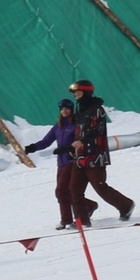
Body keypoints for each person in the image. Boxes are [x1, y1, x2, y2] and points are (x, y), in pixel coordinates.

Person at [65, 79, 135, 224]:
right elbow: (79, 132)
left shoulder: (97, 109)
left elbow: (97, 131)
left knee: (100, 186)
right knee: (73, 190)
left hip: (95, 155)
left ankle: (126, 205)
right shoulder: (80, 110)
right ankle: (81, 220)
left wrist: (81, 141)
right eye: (75, 93)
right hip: (80, 156)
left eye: (78, 92)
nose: (76, 96)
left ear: (85, 92)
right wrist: (72, 147)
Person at [26, 98, 95, 229]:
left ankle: (66, 220)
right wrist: (32, 147)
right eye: (62, 109)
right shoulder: (59, 126)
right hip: (61, 163)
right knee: (65, 192)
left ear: (71, 110)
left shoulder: (75, 125)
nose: (64, 111)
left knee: (61, 191)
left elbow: (80, 142)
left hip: (72, 161)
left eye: (67, 109)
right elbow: (46, 141)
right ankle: (89, 206)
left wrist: (66, 149)